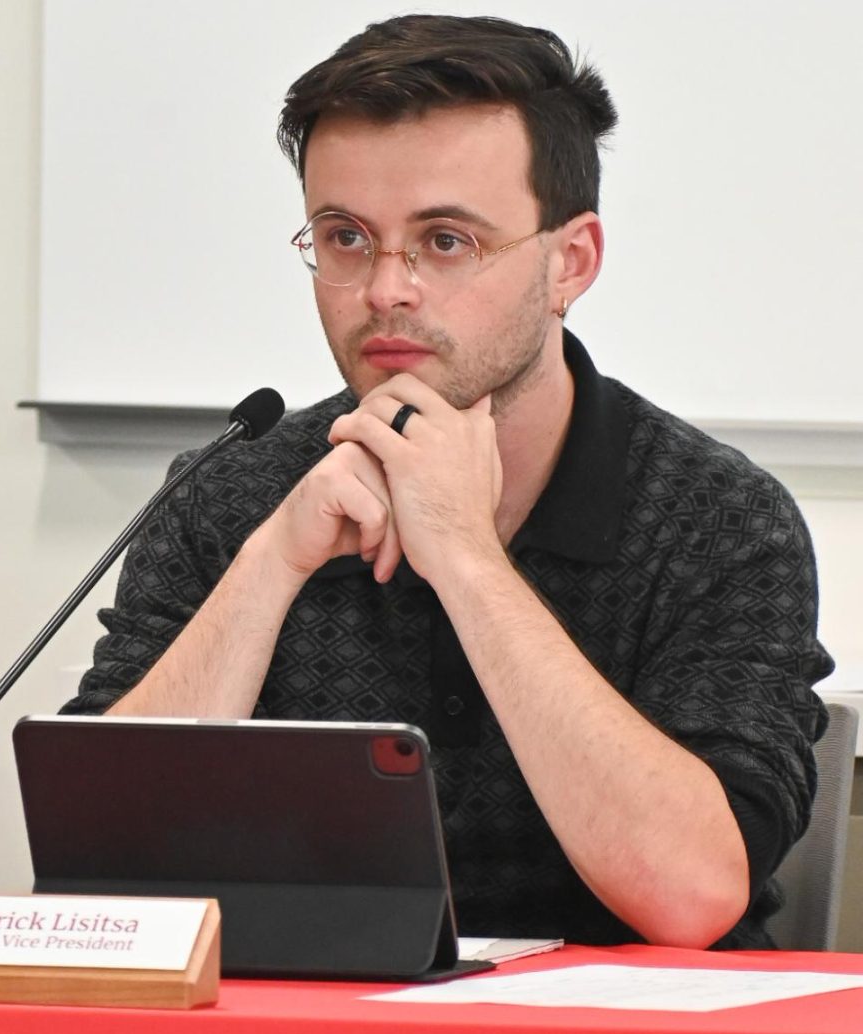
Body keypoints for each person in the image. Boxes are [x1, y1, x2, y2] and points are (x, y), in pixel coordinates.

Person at [62, 15, 832, 949]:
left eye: (448, 241)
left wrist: (467, 559)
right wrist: (270, 565)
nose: (387, 288)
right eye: (345, 237)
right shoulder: (233, 491)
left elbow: (689, 896)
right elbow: (99, 882)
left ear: (570, 263)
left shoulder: (718, 519)